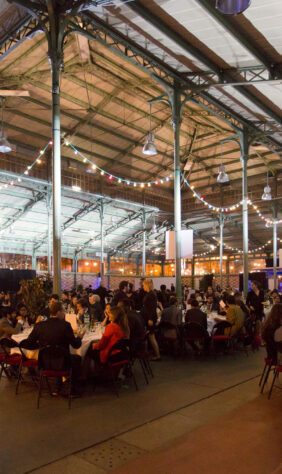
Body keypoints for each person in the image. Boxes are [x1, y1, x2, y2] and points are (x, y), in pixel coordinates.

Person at [21, 302, 84, 396]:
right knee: (78, 358)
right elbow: (76, 345)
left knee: (59, 355)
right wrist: (79, 337)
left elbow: (29, 343)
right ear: (58, 312)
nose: (65, 313)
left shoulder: (39, 325)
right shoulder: (65, 325)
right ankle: (69, 388)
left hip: (44, 362)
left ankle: (56, 386)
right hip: (63, 362)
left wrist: (42, 346)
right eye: (64, 311)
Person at [82, 306, 129, 379]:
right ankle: (100, 372)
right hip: (121, 354)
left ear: (115, 315)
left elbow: (102, 345)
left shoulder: (111, 326)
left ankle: (86, 375)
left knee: (89, 350)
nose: (108, 314)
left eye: (110, 313)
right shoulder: (125, 326)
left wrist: (94, 345)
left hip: (111, 355)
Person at [141, 278, 161, 361]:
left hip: (150, 318)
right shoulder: (150, 294)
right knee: (150, 336)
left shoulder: (151, 294)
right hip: (148, 317)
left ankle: (157, 355)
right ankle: (153, 353)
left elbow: (152, 308)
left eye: (143, 285)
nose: (142, 286)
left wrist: (150, 319)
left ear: (147, 285)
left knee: (151, 336)